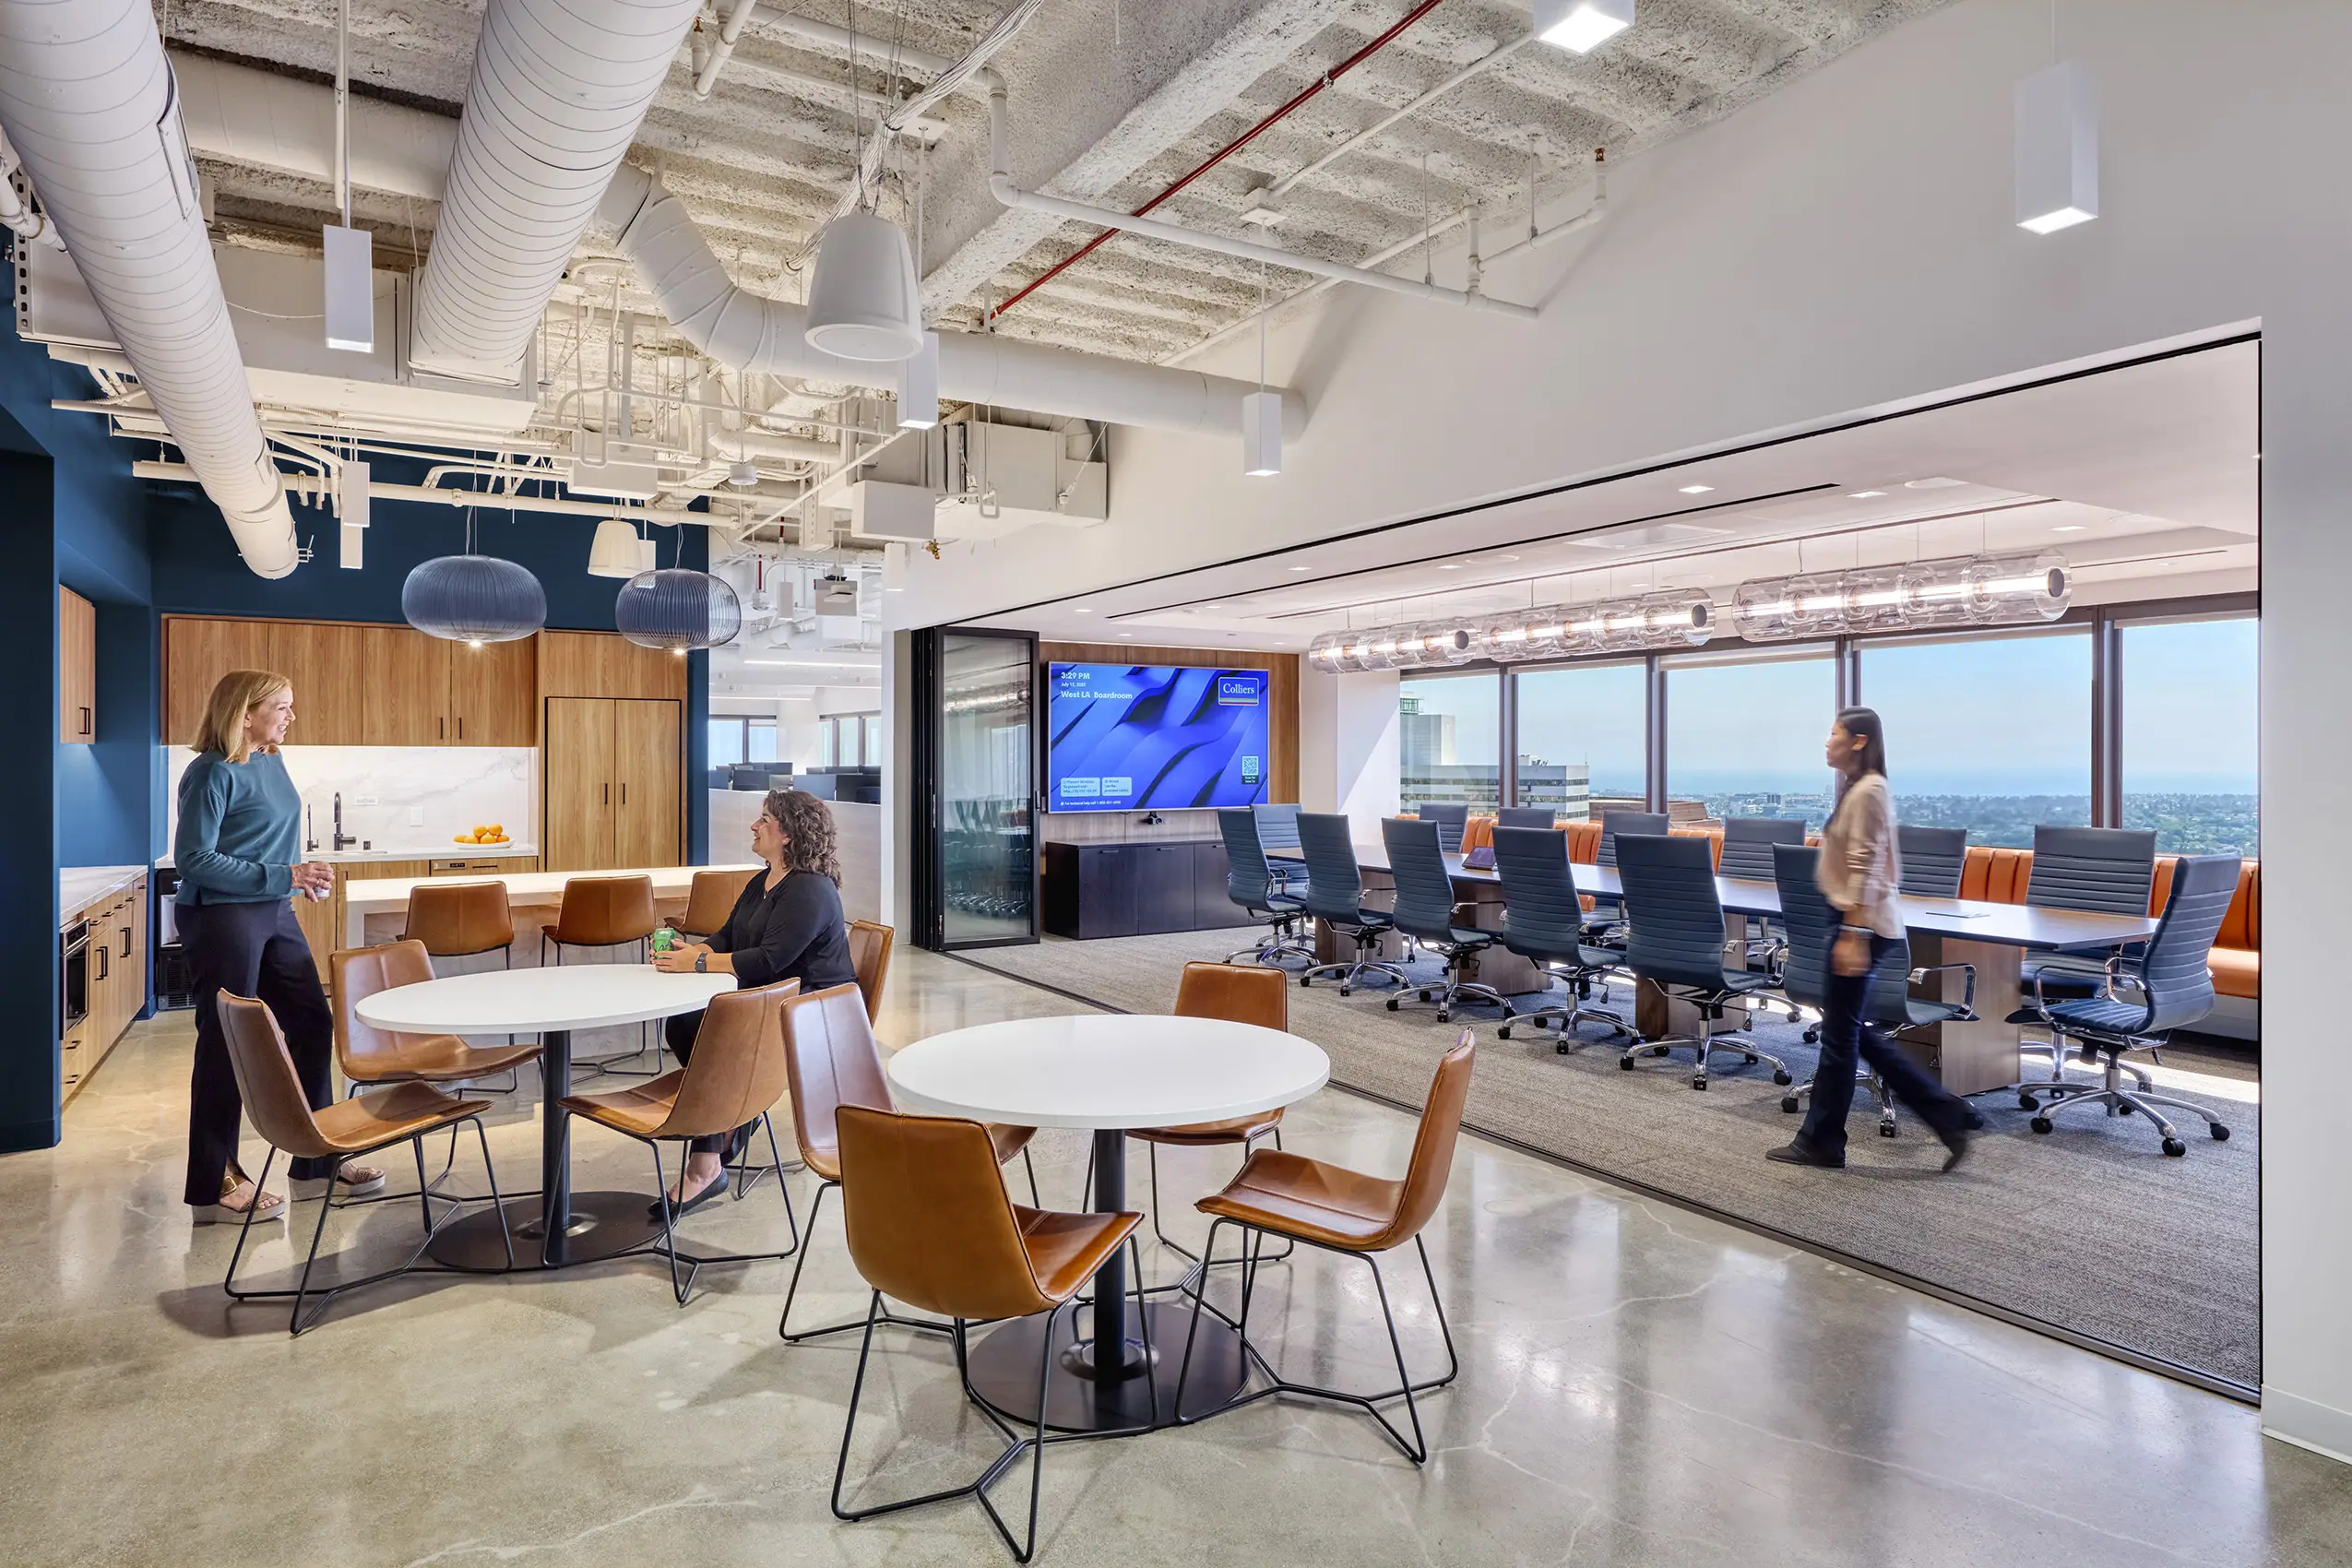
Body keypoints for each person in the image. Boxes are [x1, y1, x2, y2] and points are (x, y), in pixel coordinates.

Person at [176, 671, 382, 1224]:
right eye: (282, 707)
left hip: (273, 909)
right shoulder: (212, 772)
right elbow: (194, 860)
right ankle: (213, 1183)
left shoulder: (270, 758)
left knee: (312, 1022)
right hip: (222, 916)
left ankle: (316, 1163)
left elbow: (266, 839)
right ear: (245, 713)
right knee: (227, 1042)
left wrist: (299, 876)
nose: (292, 716)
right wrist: (284, 874)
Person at [1769, 707, 1982, 1172]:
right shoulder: (1860, 788)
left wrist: (1853, 932)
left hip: (1860, 922)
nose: (1826, 742)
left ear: (1859, 740)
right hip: (1855, 919)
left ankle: (1825, 1141)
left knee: (1842, 1037)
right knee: (1847, 1033)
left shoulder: (1869, 791)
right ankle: (1944, 1114)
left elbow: (1867, 865)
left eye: (1834, 733)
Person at [648, 788, 858, 1213]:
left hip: (812, 1010)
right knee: (685, 1024)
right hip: (773, 998)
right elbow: (729, 936)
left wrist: (698, 965)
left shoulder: (810, 890)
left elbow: (768, 959)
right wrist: (693, 951)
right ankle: (736, 1114)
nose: (754, 825)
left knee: (716, 1035)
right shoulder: (763, 880)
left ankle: (706, 1165)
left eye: (764, 819)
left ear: (789, 834)